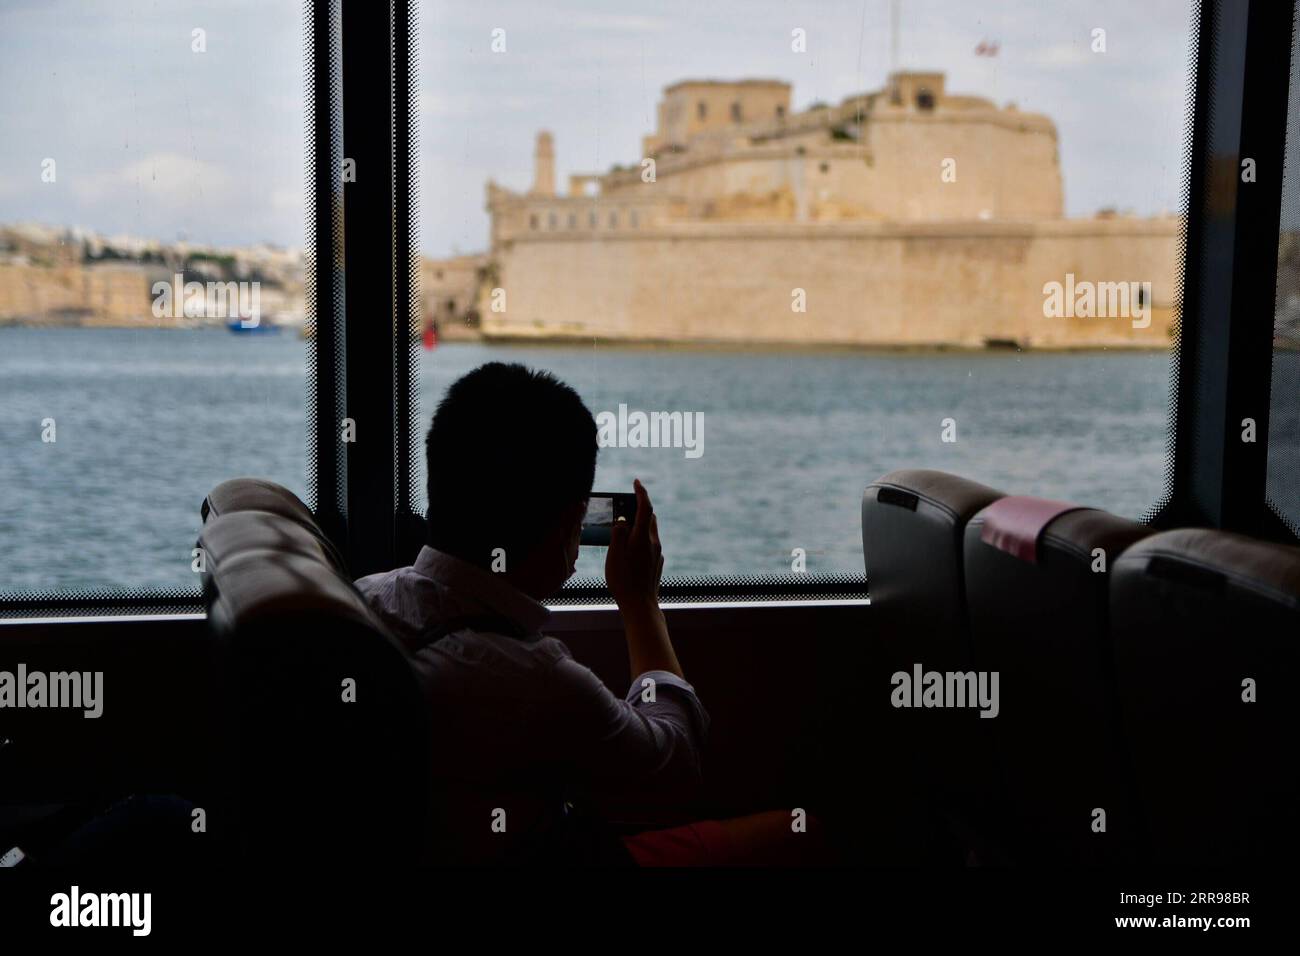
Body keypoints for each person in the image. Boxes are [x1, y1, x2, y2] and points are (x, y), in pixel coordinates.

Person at [356, 362, 821, 865]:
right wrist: (640, 600)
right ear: (569, 526)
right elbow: (676, 765)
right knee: (803, 835)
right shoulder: (533, 675)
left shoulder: (365, 597)